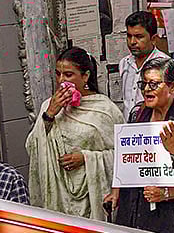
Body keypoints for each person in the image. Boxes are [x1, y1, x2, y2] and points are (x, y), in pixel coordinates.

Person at [109, 57, 174, 233]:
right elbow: (125, 159)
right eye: (143, 84)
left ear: (172, 87)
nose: (147, 89)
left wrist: (168, 193)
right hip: (136, 211)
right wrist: (116, 191)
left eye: (154, 84)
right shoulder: (137, 114)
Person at [27, 47, 123, 219]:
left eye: (68, 75)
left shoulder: (105, 109)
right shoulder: (48, 106)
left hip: (94, 199)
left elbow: (124, 156)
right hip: (58, 196)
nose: (61, 81)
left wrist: (86, 158)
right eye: (58, 74)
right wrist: (49, 114)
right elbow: (33, 147)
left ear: (85, 76)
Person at [119, 10, 174, 111]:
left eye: (139, 37)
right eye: (129, 36)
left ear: (153, 39)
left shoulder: (167, 66)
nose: (132, 42)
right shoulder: (124, 64)